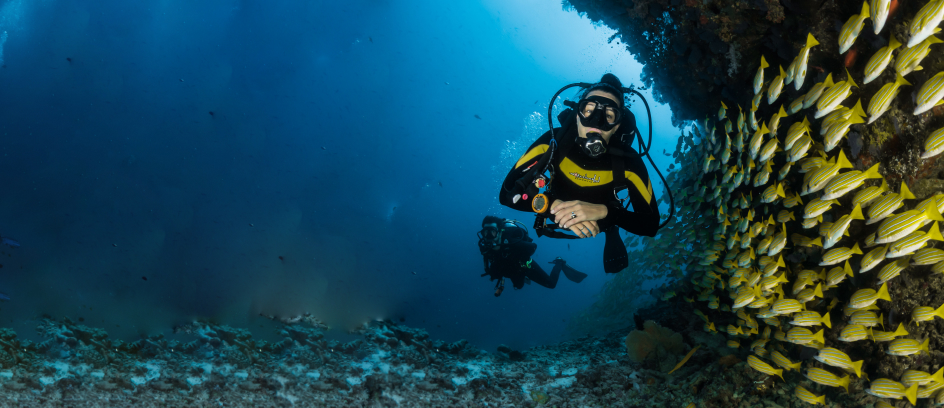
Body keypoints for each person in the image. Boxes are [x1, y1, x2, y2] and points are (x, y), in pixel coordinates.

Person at [499, 73, 661, 273]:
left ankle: (611, 228)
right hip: (552, 207)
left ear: (617, 125)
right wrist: (549, 205)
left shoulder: (629, 162)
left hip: (602, 220)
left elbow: (650, 224)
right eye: (589, 110)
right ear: (577, 114)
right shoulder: (552, 142)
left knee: (611, 222)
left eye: (609, 116)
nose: (597, 122)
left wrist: (606, 212)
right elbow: (506, 194)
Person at [478, 216, 587, 296]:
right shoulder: (485, 247)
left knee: (551, 284)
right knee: (519, 286)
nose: (488, 236)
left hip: (525, 267)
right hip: (509, 270)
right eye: (485, 232)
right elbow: (488, 265)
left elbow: (532, 246)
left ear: (500, 232)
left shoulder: (511, 241)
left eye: (492, 232)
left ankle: (559, 262)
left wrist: (519, 257)